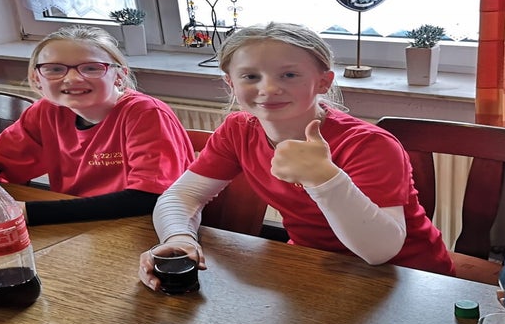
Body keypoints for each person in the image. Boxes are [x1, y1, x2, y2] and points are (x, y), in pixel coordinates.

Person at [139, 22, 456, 291]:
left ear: (323, 82)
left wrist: (324, 178)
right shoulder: (238, 130)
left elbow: (380, 251)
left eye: (289, 75)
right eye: (250, 76)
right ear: (230, 83)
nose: (268, 88)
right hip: (315, 266)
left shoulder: (368, 143)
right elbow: (182, 196)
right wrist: (179, 238)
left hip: (408, 278)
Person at [0, 25, 194, 225]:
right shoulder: (46, 111)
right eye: (54, 69)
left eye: (91, 68)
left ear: (119, 76)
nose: (72, 79)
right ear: (37, 79)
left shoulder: (145, 113)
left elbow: (148, 198)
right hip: (78, 225)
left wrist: (25, 212)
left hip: (143, 225)